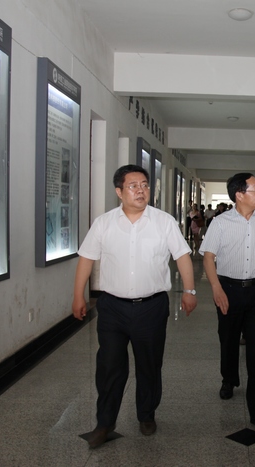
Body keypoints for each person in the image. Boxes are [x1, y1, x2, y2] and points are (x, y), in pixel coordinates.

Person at [72, 164, 197, 449]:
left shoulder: (163, 221)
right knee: (109, 366)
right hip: (112, 308)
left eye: (144, 185)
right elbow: (86, 259)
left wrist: (190, 290)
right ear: (119, 192)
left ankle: (146, 414)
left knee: (149, 364)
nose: (141, 190)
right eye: (133, 186)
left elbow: (182, 256)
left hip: (151, 307)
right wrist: (78, 295)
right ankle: (105, 423)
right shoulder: (103, 223)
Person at [199, 173, 255, 425]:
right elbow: (208, 257)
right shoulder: (220, 223)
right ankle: (229, 379)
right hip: (229, 289)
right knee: (228, 339)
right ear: (239, 194)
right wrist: (216, 289)